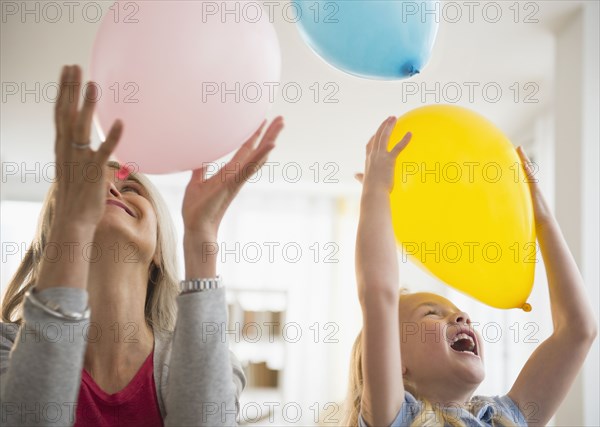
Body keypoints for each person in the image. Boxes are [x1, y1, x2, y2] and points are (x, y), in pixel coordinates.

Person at [0, 65, 285, 426]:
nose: (111, 189)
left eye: (131, 189)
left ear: (157, 252)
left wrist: (201, 235)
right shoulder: (7, 346)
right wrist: (73, 225)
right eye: (87, 187)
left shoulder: (202, 356)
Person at [343, 116, 598, 426]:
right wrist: (376, 190)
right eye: (431, 314)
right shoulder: (396, 418)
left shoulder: (501, 418)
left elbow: (578, 330)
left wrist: (543, 222)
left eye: (457, 313)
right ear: (396, 360)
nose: (461, 317)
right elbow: (377, 293)